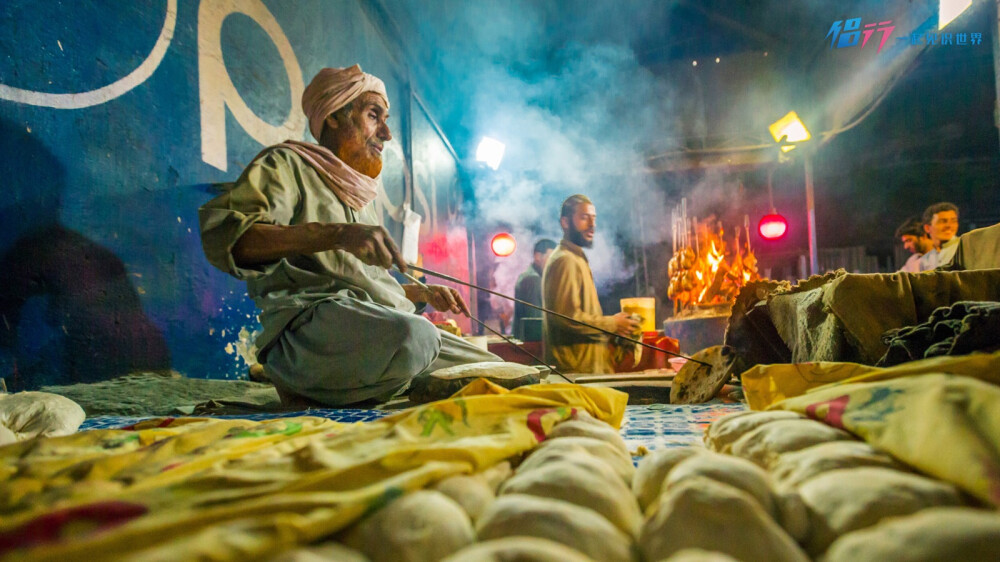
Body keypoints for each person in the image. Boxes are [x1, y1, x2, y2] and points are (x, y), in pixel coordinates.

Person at [199, 65, 499, 406]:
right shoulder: (285, 164)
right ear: (334, 117)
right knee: (417, 338)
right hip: (307, 334)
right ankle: (308, 384)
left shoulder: (359, 194)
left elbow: (354, 283)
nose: (386, 133)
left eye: (386, 120)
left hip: (360, 331)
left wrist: (420, 291)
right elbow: (234, 241)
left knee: (496, 373)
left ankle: (365, 387)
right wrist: (338, 233)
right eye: (374, 115)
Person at [542, 194, 640, 374]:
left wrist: (617, 329)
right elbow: (567, 318)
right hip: (576, 373)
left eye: (593, 218)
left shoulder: (577, 258)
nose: (592, 225)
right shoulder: (565, 260)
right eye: (584, 217)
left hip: (588, 369)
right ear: (565, 222)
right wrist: (612, 324)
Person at [512, 238, 557, 340]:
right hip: (531, 346)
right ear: (537, 257)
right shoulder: (532, 280)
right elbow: (535, 322)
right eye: (551, 258)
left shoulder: (532, 278)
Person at [917, 202, 960, 271]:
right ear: (927, 228)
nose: (949, 226)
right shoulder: (925, 261)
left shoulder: (963, 249)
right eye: (943, 221)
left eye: (953, 221)